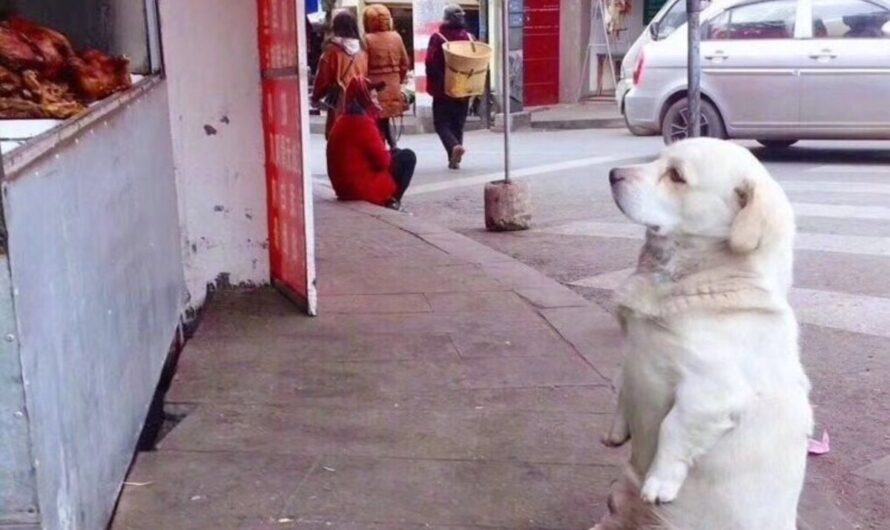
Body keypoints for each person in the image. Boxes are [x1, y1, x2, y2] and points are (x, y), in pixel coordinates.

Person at [326, 77, 416, 211]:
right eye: (373, 97)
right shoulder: (363, 123)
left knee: (396, 153)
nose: (376, 101)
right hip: (360, 190)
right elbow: (383, 162)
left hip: (343, 187)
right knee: (408, 157)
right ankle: (392, 201)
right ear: (364, 99)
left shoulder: (342, 121)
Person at [425, 4, 473, 170]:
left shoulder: (437, 38)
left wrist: (438, 82)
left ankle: (453, 148)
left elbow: (430, 64)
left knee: (441, 124)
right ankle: (454, 159)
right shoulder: (469, 38)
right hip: (464, 89)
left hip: (443, 90)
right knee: (457, 124)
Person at [311, 10, 368, 139]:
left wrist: (315, 98)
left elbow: (322, 78)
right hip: (359, 103)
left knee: (337, 139)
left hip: (339, 103)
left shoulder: (331, 51)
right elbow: (365, 76)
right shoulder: (362, 51)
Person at [363, 4, 410, 149]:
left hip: (374, 88)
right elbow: (405, 63)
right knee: (385, 119)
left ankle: (380, 149)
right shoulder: (396, 37)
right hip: (393, 86)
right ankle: (393, 146)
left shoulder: (366, 39)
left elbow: (362, 66)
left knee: (375, 119)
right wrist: (398, 80)